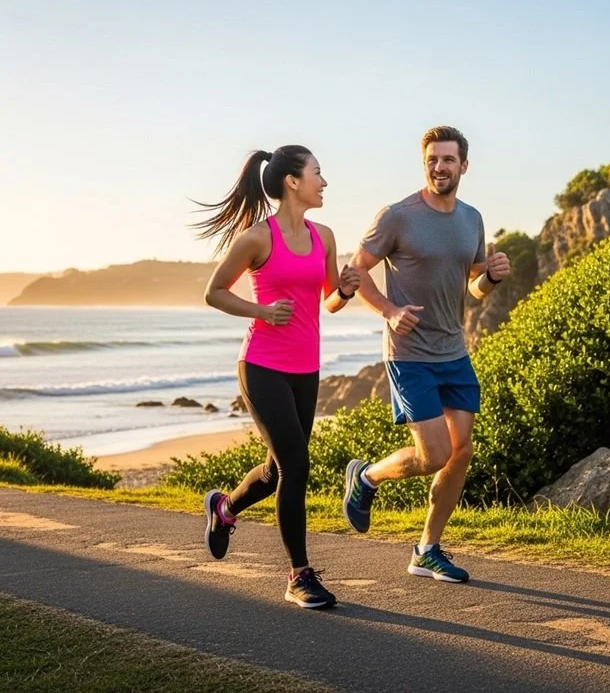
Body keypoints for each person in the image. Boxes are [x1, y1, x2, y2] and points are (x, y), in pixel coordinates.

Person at [194, 145, 359, 609]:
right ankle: (299, 576)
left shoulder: (324, 235)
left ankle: (224, 509)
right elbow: (214, 293)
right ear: (292, 181)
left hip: (306, 369)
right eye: (317, 174)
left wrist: (344, 291)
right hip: (262, 365)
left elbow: (328, 299)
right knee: (296, 466)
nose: (323, 183)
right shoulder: (256, 239)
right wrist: (262, 310)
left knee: (274, 471)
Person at [343, 125, 511, 583]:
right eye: (432, 160)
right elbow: (357, 271)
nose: (440, 167)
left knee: (460, 452)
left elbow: (475, 288)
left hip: (453, 351)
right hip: (409, 353)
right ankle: (367, 478)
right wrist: (390, 310)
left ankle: (426, 550)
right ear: (425, 164)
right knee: (434, 454)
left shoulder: (471, 219)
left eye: (448, 160)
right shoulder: (397, 215)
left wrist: (492, 277)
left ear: (464, 166)